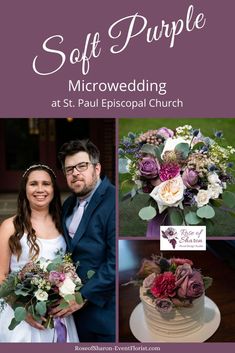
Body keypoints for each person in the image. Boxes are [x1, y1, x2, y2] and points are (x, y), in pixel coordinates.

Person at [0, 164, 79, 342]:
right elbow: (1, 273)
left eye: (46, 184)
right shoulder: (9, 226)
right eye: (33, 184)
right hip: (18, 310)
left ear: (53, 189)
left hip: (56, 311)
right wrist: (21, 307)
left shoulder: (64, 225)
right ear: (25, 189)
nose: (40, 189)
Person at [52, 139, 115, 342]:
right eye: (69, 169)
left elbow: (116, 261)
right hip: (73, 318)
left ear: (97, 168)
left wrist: (83, 296)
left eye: (82, 166)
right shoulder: (69, 204)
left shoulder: (114, 201)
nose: (75, 173)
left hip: (103, 316)